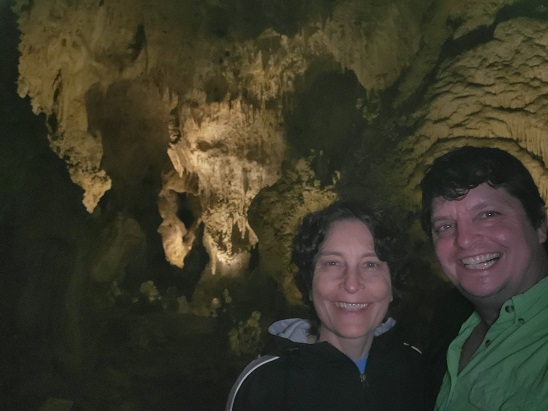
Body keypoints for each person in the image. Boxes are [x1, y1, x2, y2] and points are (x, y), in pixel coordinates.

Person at [225, 201, 424, 411]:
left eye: (371, 264)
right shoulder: (263, 385)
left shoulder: (416, 367)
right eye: (333, 263)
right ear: (310, 285)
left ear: (392, 286)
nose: (352, 284)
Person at [420, 145, 548, 410]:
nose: (464, 239)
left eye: (488, 214)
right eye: (444, 226)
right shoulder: (449, 325)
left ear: (540, 225)